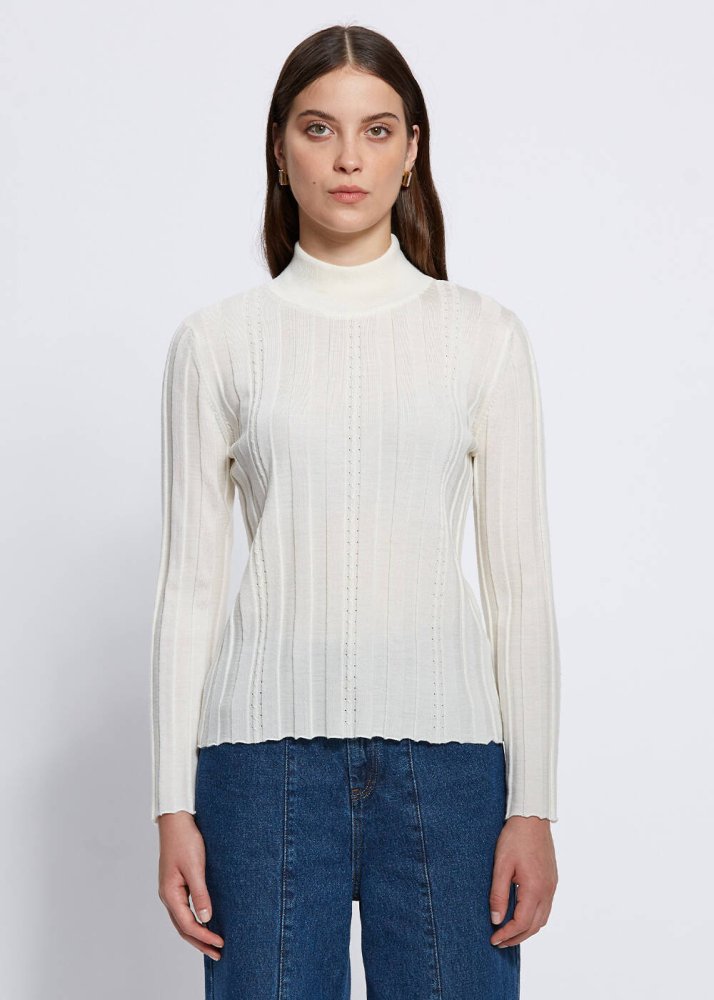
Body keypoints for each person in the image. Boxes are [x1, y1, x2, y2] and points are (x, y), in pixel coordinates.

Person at [151, 23, 561, 1000]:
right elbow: (190, 586)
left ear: (412, 150)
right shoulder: (218, 342)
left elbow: (521, 586)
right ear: (278, 147)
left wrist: (535, 804)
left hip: (450, 773)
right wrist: (170, 804)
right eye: (318, 128)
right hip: (259, 773)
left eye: (377, 130)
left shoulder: (484, 338)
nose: (347, 158)